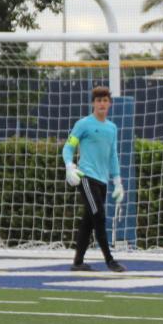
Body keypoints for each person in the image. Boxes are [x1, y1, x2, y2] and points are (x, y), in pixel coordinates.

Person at [62, 85, 126, 272]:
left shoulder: (112, 128)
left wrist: (117, 181)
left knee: (89, 221)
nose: (102, 104)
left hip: (103, 181)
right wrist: (69, 166)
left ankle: (78, 262)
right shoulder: (83, 124)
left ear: (110, 104)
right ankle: (110, 260)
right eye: (98, 100)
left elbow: (112, 155)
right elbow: (68, 146)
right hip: (86, 177)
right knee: (99, 217)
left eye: (105, 100)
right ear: (93, 103)